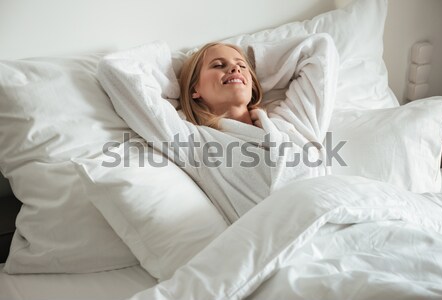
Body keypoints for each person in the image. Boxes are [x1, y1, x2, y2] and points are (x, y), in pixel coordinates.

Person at [97, 33, 339, 224]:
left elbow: (318, 47)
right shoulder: (193, 140)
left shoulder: (290, 124)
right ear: (195, 89)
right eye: (219, 65)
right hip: (286, 246)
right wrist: (178, 77)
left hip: (340, 220)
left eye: (242, 67)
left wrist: (251, 61)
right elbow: (116, 70)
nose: (234, 69)